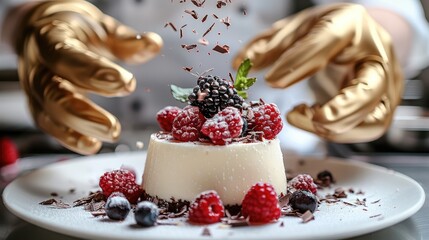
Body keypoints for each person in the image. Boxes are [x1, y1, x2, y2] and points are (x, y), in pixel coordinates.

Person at [1, 0, 428, 155]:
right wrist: (32, 19)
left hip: (283, 151)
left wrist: (376, 38)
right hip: (101, 150)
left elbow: (390, 11)